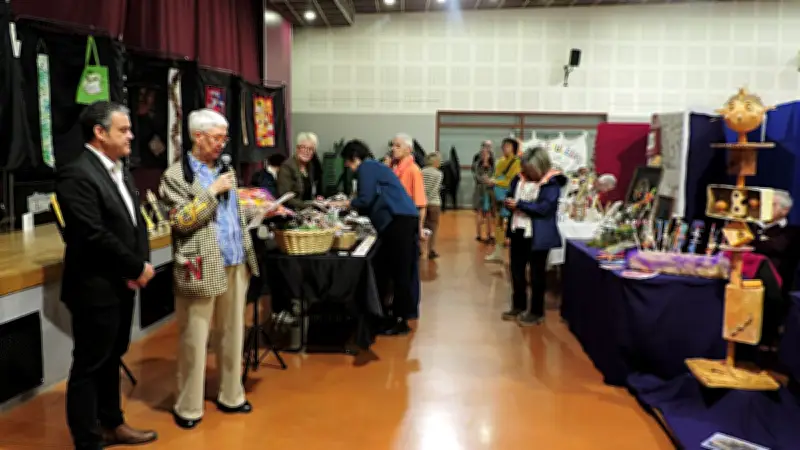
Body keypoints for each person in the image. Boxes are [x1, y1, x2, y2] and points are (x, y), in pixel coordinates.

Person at [55, 101, 157, 450]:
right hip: (94, 287)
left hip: (122, 283)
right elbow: (92, 235)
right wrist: (136, 266)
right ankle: (87, 438)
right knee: (90, 363)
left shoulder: (119, 168)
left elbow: (133, 223)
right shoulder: (76, 174)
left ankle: (113, 423)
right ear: (99, 133)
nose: (131, 135)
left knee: (113, 357)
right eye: (123, 130)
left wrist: (139, 264)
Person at [159, 109, 261, 429]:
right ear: (197, 137)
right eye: (217, 138)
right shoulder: (176, 176)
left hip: (234, 261)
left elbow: (232, 215)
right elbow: (181, 220)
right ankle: (188, 406)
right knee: (194, 338)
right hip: (200, 265)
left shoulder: (225, 170)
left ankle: (231, 395)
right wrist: (212, 191)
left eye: (224, 138)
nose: (222, 144)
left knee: (233, 336)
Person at [336, 140, 420, 335]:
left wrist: (346, 204)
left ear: (354, 157)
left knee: (399, 272)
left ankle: (401, 320)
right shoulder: (376, 166)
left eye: (348, 162)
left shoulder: (367, 167)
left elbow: (366, 198)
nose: (348, 167)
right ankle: (390, 313)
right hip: (402, 219)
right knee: (392, 269)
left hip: (399, 221)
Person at [503, 146, 567, 326]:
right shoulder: (518, 179)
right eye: (525, 168)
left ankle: (536, 311)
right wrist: (509, 202)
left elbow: (545, 208)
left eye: (530, 169)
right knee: (516, 271)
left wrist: (520, 205)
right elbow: (510, 195)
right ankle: (518, 305)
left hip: (538, 234)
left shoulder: (552, 183)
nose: (527, 172)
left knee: (537, 274)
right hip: (518, 230)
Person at [485, 138, 521, 262]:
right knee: (498, 224)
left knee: (510, 225)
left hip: (509, 197)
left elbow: (511, 181)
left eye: (508, 146)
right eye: (504, 146)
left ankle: (514, 256)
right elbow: (496, 176)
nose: (505, 148)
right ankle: (498, 252)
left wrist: (495, 181)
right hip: (497, 196)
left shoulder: (517, 162)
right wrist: (491, 180)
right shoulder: (500, 161)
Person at [277, 132, 320, 210]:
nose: (307, 151)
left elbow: (310, 191)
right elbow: (285, 198)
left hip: (307, 211)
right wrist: (310, 205)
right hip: (291, 212)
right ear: (297, 148)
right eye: (303, 147)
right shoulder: (287, 167)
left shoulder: (310, 166)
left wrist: (316, 200)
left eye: (311, 149)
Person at [422, 153, 444, 259]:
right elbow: (435, 188)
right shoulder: (438, 173)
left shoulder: (421, 171)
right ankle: (431, 250)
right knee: (433, 227)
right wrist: (429, 198)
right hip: (434, 203)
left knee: (422, 227)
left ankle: (420, 249)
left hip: (422, 203)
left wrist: (424, 200)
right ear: (436, 162)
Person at [472, 141, 495, 242]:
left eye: (487, 153)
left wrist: (490, 180)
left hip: (490, 191)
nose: (485, 155)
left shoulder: (493, 163)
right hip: (480, 190)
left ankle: (490, 234)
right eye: (483, 154)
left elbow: (495, 174)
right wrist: (484, 179)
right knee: (479, 212)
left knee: (489, 212)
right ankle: (479, 234)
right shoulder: (477, 164)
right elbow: (476, 176)